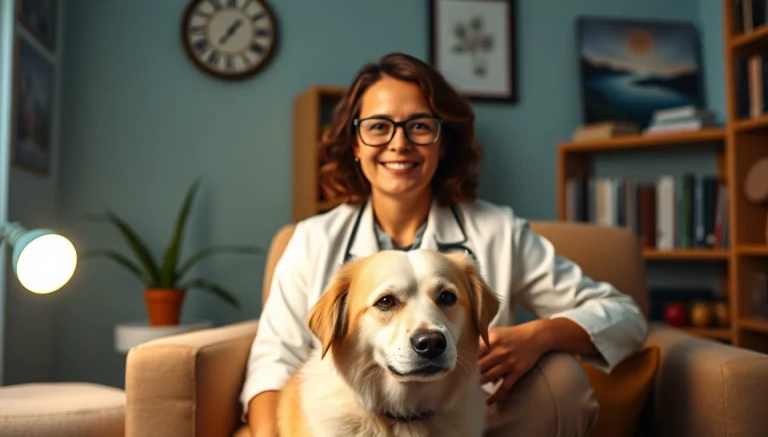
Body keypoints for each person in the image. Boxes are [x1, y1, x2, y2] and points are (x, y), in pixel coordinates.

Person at [239, 52, 648, 437]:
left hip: (480, 416)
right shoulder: (312, 240)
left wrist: (538, 336)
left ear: (443, 141)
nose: (399, 143)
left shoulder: (498, 230)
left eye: (419, 126)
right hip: (352, 416)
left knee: (563, 376)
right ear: (355, 144)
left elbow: (622, 315)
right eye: (378, 126)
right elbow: (273, 362)